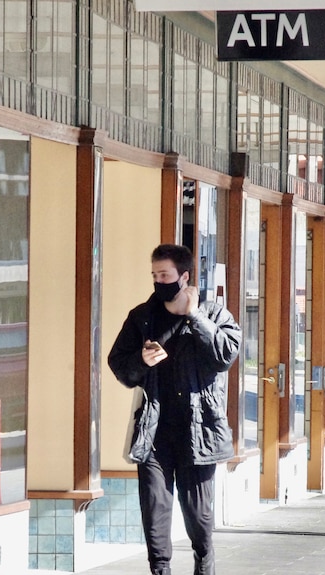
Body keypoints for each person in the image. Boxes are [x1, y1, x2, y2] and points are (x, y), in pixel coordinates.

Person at [108, 243, 241, 575]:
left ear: (184, 276)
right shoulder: (142, 318)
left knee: (199, 515)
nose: (158, 280)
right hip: (154, 431)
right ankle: (160, 570)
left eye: (164, 274)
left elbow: (225, 355)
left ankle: (204, 564)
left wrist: (194, 316)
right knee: (155, 510)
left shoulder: (213, 315)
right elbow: (118, 363)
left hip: (199, 430)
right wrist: (141, 361)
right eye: (154, 274)